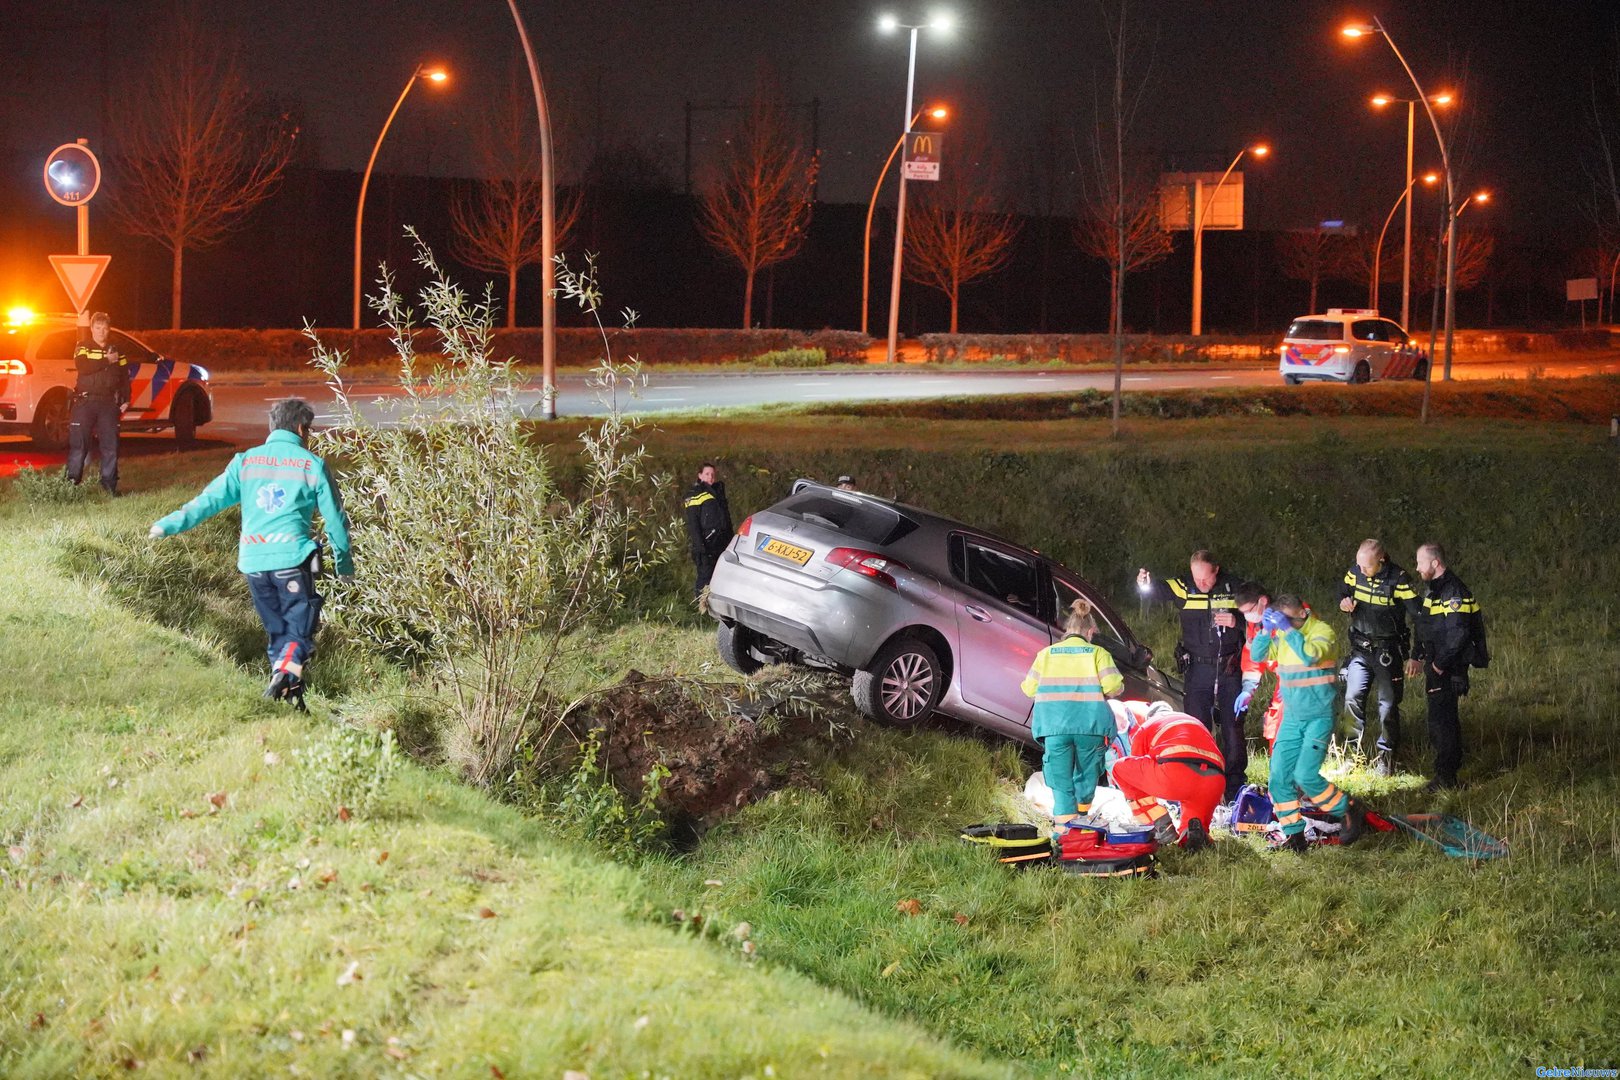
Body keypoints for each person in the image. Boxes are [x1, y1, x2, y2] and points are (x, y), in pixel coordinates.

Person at [148, 399, 352, 709]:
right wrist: (343, 564)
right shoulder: (311, 465)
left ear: (272, 427)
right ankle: (285, 677)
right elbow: (336, 520)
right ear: (300, 428)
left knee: (279, 634)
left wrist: (168, 525)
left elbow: (208, 501)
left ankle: (290, 702)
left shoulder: (245, 462)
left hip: (255, 565)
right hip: (293, 561)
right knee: (300, 630)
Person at [1249, 594, 1367, 853]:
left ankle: (1348, 809)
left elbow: (1309, 656)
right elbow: (1257, 655)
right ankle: (1294, 835)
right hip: (1292, 717)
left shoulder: (1322, 631)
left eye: (1288, 619)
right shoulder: (1282, 635)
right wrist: (1265, 631)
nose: (1285, 625)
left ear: (1303, 613)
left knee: (1305, 775)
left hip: (1319, 716)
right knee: (1279, 778)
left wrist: (1287, 630)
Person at [1137, 551, 1246, 800]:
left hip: (1229, 667)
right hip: (1197, 669)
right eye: (1197, 579)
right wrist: (1144, 583)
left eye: (1206, 579)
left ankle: (1235, 786)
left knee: (1233, 725)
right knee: (1197, 725)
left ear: (1216, 570)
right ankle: (1200, 779)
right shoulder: (1184, 587)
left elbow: (1259, 613)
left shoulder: (1234, 587)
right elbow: (1157, 590)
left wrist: (1236, 621)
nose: (1201, 584)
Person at [1021, 598, 1124, 836]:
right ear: (1090, 631)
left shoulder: (1046, 655)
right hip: (1090, 728)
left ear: (1067, 630)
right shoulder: (1098, 653)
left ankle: (1063, 838)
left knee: (1061, 781)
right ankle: (1081, 830)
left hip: (1055, 728)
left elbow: (1028, 689)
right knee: (1086, 778)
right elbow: (1113, 687)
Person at [1339, 538, 1423, 775]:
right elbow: (1342, 590)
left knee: (1387, 706)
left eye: (1367, 566)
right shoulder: (1355, 572)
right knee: (1352, 700)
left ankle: (1386, 759)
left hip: (1387, 652)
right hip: (1360, 650)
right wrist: (1343, 601)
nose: (1361, 571)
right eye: (1359, 565)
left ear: (1381, 561)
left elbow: (1419, 616)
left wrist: (1417, 654)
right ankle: (1350, 756)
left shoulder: (1399, 579)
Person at [1407, 543, 1485, 791]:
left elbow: (1459, 634)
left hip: (1449, 668)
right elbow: (1426, 625)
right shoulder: (1435, 590)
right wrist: (1418, 655)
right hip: (1436, 663)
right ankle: (1444, 772)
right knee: (1438, 720)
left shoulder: (1453, 592)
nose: (1417, 567)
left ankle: (1447, 778)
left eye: (1420, 562)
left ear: (1435, 563)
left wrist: (1440, 664)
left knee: (1444, 723)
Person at [1109, 701, 1225, 852]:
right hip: (1214, 782)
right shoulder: (1193, 721)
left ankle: (1160, 824)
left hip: (1176, 775)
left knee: (1120, 768)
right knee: (1191, 825)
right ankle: (1192, 835)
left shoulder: (1148, 725)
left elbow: (1137, 767)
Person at [64, 311, 129, 495]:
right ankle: (70, 488)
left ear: (109, 330)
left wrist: (126, 400)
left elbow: (124, 377)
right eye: (98, 328)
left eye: (105, 328)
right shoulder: (83, 346)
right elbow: (82, 367)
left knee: (110, 447)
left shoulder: (118, 350)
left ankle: (109, 488)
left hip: (108, 403)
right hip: (85, 402)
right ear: (92, 329)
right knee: (79, 446)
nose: (101, 332)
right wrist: (106, 360)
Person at [1233, 580, 1285, 751]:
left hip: (1305, 681)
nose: (1247, 616)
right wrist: (1248, 690)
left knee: (1289, 730)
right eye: (1244, 613)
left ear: (1263, 600)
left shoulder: (1289, 615)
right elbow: (1253, 661)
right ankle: (1280, 774)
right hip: (1284, 682)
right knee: (1276, 725)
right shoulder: (1254, 625)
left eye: (1249, 610)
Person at [683, 462, 733, 598]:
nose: (710, 477)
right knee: (705, 578)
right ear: (700, 475)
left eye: (712, 475)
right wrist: (700, 546)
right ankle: (700, 607)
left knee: (721, 577)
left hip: (720, 543)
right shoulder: (694, 494)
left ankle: (714, 608)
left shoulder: (718, 493)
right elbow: (693, 523)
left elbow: (725, 520)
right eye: (707, 474)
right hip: (705, 544)